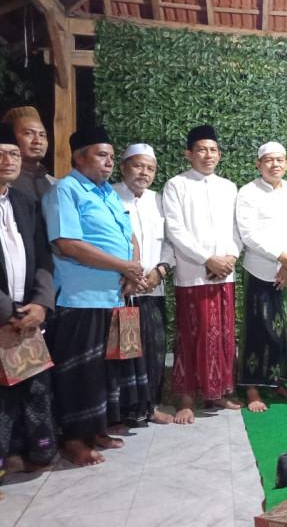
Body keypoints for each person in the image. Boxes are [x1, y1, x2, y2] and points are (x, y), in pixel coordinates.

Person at [42, 125, 142, 465]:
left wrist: (132, 269)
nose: (109, 162)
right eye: (102, 155)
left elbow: (129, 235)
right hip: (79, 298)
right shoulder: (65, 190)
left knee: (103, 372)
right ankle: (72, 439)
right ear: (79, 156)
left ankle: (96, 428)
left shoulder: (107, 193)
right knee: (79, 373)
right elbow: (67, 244)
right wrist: (124, 266)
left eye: (111, 157)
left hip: (112, 296)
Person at [163, 125, 241, 424]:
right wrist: (207, 259)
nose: (208, 155)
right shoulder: (176, 185)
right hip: (193, 274)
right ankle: (186, 398)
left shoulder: (228, 187)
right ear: (189, 154)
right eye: (201, 150)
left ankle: (217, 392)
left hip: (224, 275)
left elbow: (237, 228)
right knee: (191, 334)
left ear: (219, 154)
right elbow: (175, 230)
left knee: (222, 335)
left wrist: (231, 257)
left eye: (213, 150)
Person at [0, 127, 56, 496]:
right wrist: (8, 313)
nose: (8, 161)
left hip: (28, 315)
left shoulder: (22, 202)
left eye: (13, 154)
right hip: (6, 317)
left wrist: (41, 304)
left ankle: (26, 455)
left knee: (31, 390)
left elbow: (43, 258)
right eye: (1, 154)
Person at [236, 142, 287, 411]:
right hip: (260, 271)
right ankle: (252, 388)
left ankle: (278, 383)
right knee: (259, 330)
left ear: (286, 163)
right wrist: (281, 257)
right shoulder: (248, 192)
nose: (274, 164)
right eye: (268, 160)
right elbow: (249, 234)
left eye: (279, 160)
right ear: (259, 164)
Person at [113, 143, 176, 425]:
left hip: (153, 288)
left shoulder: (158, 200)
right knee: (123, 352)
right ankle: (122, 412)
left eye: (150, 168)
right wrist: (130, 275)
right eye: (138, 166)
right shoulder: (110, 197)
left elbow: (170, 242)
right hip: (122, 291)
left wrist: (160, 270)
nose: (144, 173)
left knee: (153, 348)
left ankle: (150, 406)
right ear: (123, 167)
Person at [0, 106, 56, 200]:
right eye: (28, 133)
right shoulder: (5, 182)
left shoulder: (55, 184)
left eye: (42, 135)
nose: (38, 141)